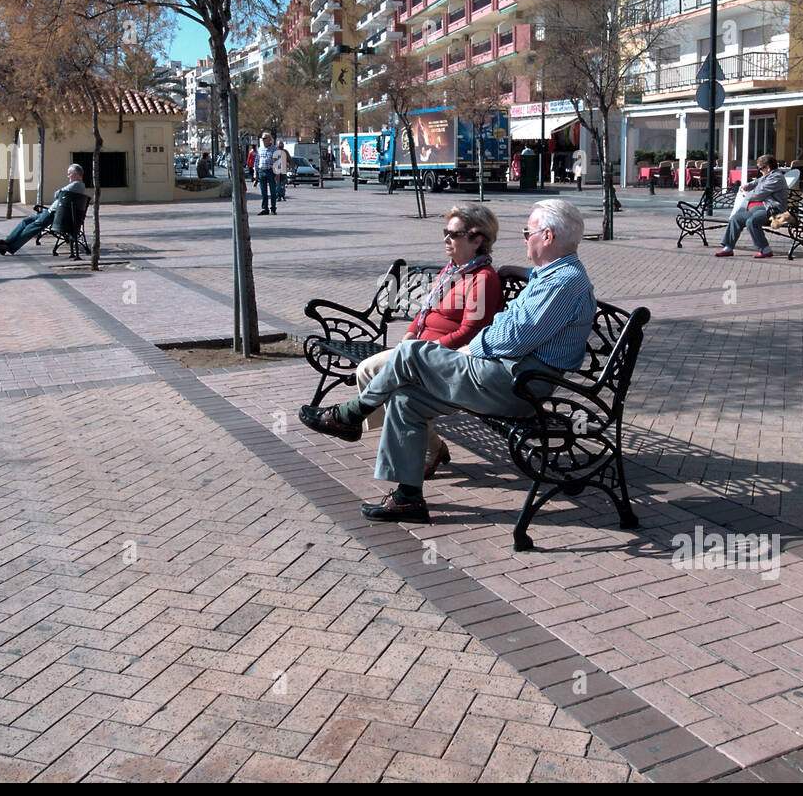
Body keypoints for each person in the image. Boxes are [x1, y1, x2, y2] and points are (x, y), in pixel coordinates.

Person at [298, 199, 595, 523]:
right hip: (508, 373)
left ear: (547, 236)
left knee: (411, 353)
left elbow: (515, 338)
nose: (525, 238)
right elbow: (529, 306)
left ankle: (351, 414)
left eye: (528, 232)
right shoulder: (554, 274)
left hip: (520, 385)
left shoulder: (563, 282)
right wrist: (520, 272)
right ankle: (407, 498)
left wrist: (471, 349)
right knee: (406, 400)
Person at [352, 205, 504, 480]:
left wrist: (424, 352)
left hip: (445, 358)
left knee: (373, 373)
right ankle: (426, 445)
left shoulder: (483, 279)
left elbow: (471, 332)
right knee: (373, 374)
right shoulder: (452, 271)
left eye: (453, 234)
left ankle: (358, 421)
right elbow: (426, 312)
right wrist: (409, 338)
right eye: (445, 232)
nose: (446, 239)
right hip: (419, 350)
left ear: (477, 239)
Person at [0, 164, 86, 255]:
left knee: (32, 227)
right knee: (26, 221)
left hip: (54, 214)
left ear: (76, 174)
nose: (67, 176)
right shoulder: (78, 185)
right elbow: (59, 194)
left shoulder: (76, 184)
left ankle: (10, 247)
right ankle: (7, 242)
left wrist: (59, 192)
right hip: (54, 212)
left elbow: (57, 194)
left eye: (69, 174)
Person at [714, 154, 788, 259]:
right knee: (736, 218)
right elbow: (757, 181)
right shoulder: (767, 176)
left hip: (773, 210)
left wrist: (746, 195)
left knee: (752, 221)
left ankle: (765, 249)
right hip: (760, 208)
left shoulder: (776, 178)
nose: (760, 171)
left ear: (768, 168)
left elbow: (760, 193)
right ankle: (728, 248)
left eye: (761, 169)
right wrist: (747, 186)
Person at [255, 131, 278, 215]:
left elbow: (278, 162)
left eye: (264, 138)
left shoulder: (274, 149)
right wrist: (255, 172)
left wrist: (278, 174)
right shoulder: (260, 149)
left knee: (273, 191)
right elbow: (257, 161)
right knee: (263, 191)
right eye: (262, 138)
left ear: (269, 139)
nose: (263, 140)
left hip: (271, 171)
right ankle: (265, 208)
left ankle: (273, 208)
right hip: (262, 171)